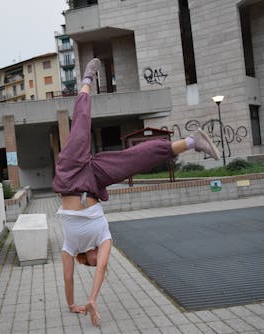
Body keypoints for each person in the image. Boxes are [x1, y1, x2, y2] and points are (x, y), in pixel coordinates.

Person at [52, 58, 220, 327]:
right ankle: (192, 142)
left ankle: (85, 80)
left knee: (81, 126)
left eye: (92, 263)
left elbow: (68, 278)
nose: (98, 262)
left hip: (70, 174)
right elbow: (105, 268)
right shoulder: (104, 237)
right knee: (134, 160)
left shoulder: (69, 247)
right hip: (94, 181)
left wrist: (72, 304)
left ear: (86, 259)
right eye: (98, 263)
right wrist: (93, 299)